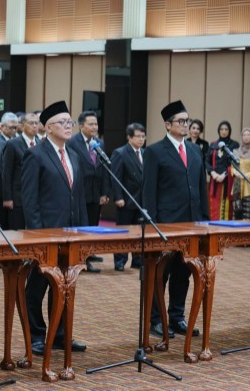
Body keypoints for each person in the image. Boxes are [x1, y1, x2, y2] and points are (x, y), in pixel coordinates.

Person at [21, 100, 88, 356]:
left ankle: (60, 334)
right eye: (62, 122)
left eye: (70, 122)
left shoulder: (74, 155)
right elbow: (30, 200)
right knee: (37, 288)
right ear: (48, 128)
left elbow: (78, 197)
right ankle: (36, 335)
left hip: (70, 236)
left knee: (65, 286)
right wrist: (38, 235)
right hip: (46, 235)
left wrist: (82, 232)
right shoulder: (36, 155)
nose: (68, 126)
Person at [143, 100, 208, 338]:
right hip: (165, 224)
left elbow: (201, 187)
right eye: (181, 121)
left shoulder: (195, 150)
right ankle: (156, 319)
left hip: (191, 223)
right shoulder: (155, 151)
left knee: (184, 272)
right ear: (168, 124)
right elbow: (148, 191)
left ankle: (176, 316)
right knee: (161, 274)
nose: (185, 125)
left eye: (187, 120)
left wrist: (204, 220)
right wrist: (152, 224)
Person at [66, 110, 110, 273]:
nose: (94, 127)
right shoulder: (72, 142)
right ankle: (82, 259)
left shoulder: (99, 143)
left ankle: (89, 253)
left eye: (96, 124)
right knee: (82, 225)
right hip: (80, 192)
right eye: (91, 124)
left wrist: (104, 192)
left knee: (93, 224)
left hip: (95, 192)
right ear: (81, 126)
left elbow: (104, 169)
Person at [110, 123, 146, 271]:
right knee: (123, 231)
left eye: (143, 136)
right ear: (129, 137)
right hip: (126, 199)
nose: (141, 139)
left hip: (141, 201)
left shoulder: (145, 153)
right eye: (138, 136)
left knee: (139, 232)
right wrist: (118, 197)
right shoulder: (120, 153)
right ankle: (120, 260)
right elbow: (115, 177)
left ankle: (137, 259)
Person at [2, 112, 39, 230]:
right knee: (17, 230)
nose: (35, 126)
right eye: (31, 123)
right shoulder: (12, 144)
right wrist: (7, 198)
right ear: (22, 126)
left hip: (36, 197)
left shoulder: (41, 144)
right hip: (18, 197)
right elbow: (6, 173)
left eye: (36, 123)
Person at [206, 120, 239, 220]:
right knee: (214, 206)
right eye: (221, 129)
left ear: (229, 131)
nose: (224, 131)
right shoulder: (213, 145)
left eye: (226, 129)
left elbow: (235, 163)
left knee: (227, 207)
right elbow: (206, 161)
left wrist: (224, 174)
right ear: (218, 131)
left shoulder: (234, 145)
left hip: (227, 180)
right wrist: (213, 173)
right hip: (215, 180)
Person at [231, 128, 250, 220]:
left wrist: (245, 175)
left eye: (248, 135)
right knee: (237, 214)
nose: (246, 137)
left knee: (248, 215)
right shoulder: (236, 151)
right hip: (237, 186)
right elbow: (232, 167)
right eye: (244, 135)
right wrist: (235, 172)